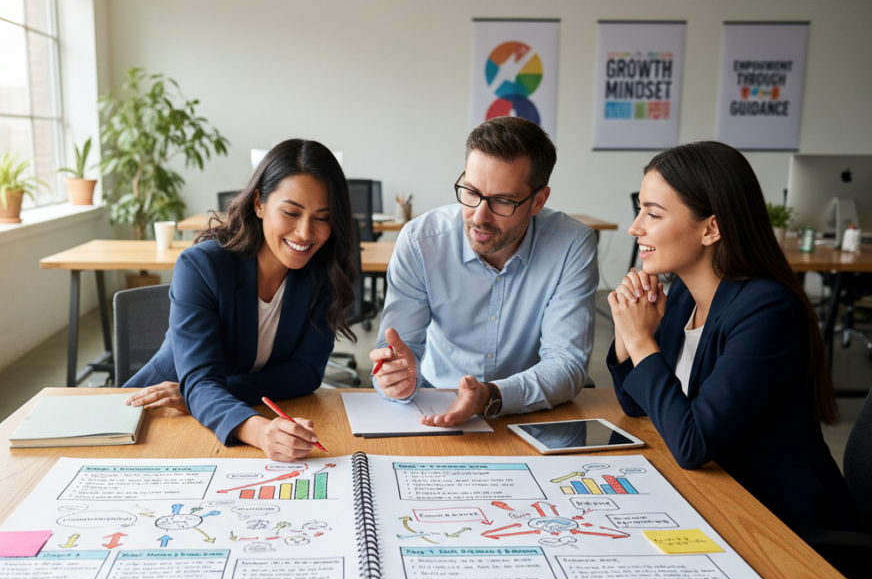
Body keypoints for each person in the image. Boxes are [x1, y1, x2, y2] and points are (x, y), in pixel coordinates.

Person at [607, 140, 854, 532]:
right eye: (641, 211)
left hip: (783, 522)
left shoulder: (767, 310)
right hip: (723, 497)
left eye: (652, 214)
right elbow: (637, 405)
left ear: (711, 229)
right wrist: (631, 330)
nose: (635, 227)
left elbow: (692, 445)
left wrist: (641, 342)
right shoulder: (686, 293)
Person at [123, 139, 356, 461]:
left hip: (209, 407)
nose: (305, 233)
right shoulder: (202, 267)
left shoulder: (324, 274)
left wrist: (200, 392)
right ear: (259, 203)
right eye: (291, 212)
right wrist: (260, 431)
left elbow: (306, 372)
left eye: (323, 217)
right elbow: (201, 379)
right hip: (157, 415)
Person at [370, 116, 598, 425]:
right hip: (437, 401)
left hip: (529, 411)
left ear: (538, 201)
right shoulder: (420, 241)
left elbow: (567, 363)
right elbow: (396, 351)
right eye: (471, 192)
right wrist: (397, 378)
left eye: (503, 201)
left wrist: (489, 396)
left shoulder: (571, 245)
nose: (479, 217)